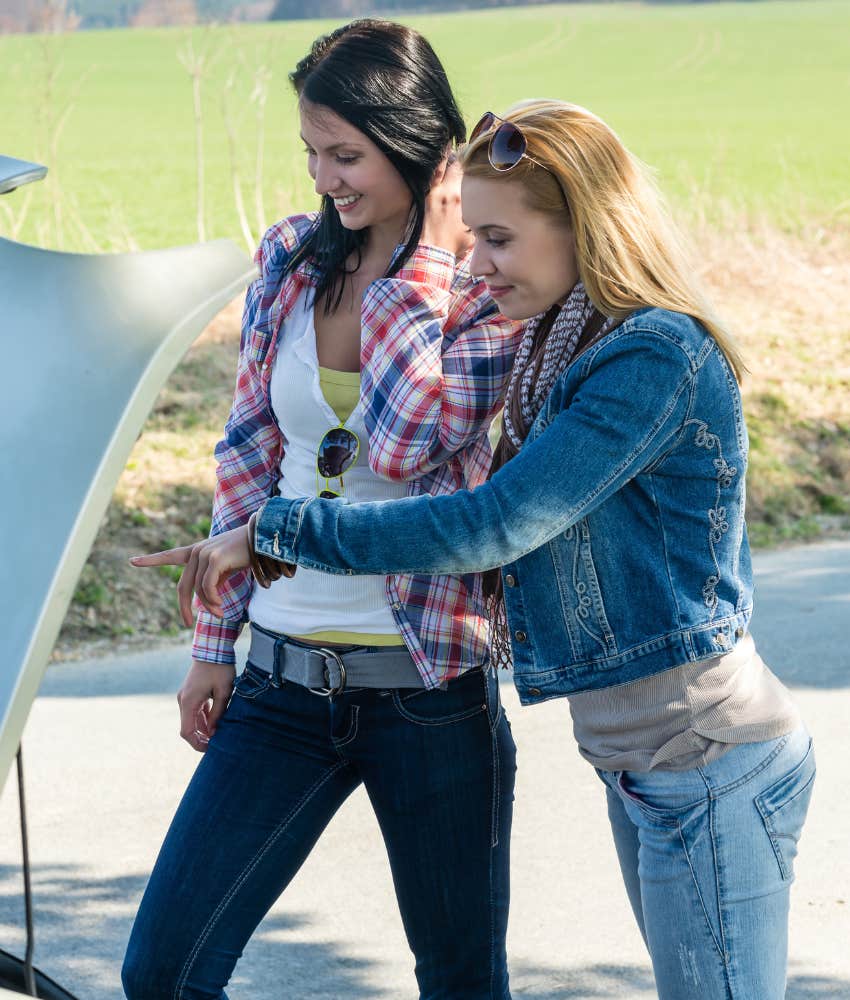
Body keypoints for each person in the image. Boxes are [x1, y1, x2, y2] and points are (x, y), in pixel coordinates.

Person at [143, 100, 816, 999]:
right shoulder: (559, 344)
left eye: (497, 239)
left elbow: (488, 525)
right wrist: (233, 619)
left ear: (583, 226)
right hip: (645, 763)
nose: (480, 263)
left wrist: (277, 529)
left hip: (705, 760)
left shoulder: (650, 358)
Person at [122, 21, 522, 1000]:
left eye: (345, 153)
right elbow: (249, 453)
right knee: (165, 973)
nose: (323, 178)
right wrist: (213, 644)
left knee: (461, 982)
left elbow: (404, 440)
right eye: (311, 152)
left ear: (418, 145)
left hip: (430, 692)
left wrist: (424, 257)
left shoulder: (483, 282)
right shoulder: (292, 260)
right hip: (280, 686)